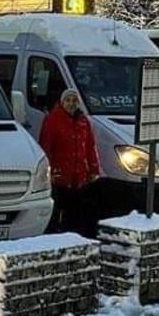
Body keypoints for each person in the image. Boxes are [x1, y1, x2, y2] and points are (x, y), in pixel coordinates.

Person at [38, 88, 101, 237]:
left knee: (75, 211)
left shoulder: (83, 121)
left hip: (79, 175)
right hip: (60, 176)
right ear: (62, 102)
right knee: (57, 210)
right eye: (68, 100)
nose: (71, 104)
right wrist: (49, 171)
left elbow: (90, 147)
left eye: (74, 101)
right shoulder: (52, 120)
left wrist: (94, 170)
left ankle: (73, 236)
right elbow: (45, 147)